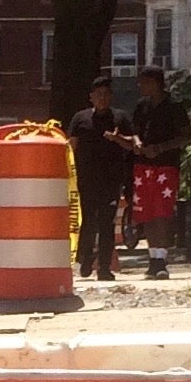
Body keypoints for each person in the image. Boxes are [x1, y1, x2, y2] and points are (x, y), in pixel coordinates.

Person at [122, 68, 191, 273]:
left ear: (155, 83)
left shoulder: (174, 107)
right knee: (147, 213)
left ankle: (162, 258)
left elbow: (185, 136)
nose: (140, 86)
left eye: (144, 82)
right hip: (143, 166)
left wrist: (160, 148)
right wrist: (137, 142)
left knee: (162, 212)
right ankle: (153, 258)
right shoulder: (141, 106)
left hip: (165, 165)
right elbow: (134, 131)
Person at [66, 74, 131, 280]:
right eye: (98, 94)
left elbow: (132, 145)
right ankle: (85, 259)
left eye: (106, 94)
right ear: (91, 97)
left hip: (111, 180)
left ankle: (104, 267)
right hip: (85, 180)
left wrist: (117, 138)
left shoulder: (120, 118)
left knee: (107, 223)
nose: (102, 98)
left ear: (111, 97)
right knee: (87, 222)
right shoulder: (80, 118)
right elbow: (71, 146)